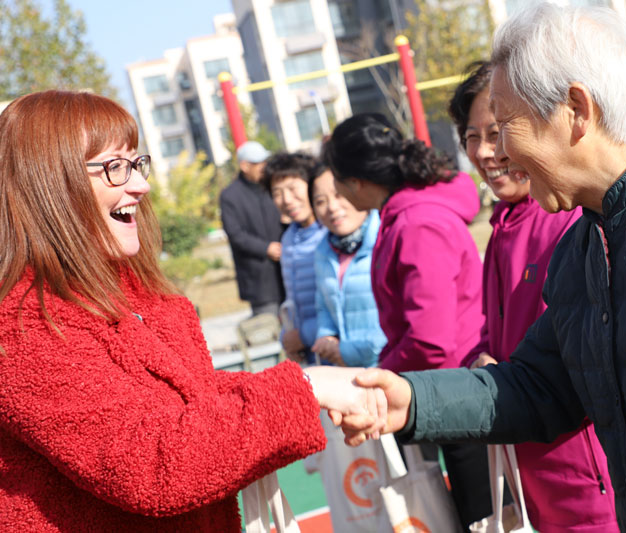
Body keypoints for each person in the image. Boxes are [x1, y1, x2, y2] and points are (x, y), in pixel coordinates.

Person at [340, 3, 626, 532]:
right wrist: (413, 401)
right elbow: (539, 387)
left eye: (505, 126)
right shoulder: (583, 250)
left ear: (576, 109)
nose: (498, 153)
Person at [0, 90, 386, 532]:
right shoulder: (25, 327)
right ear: (48, 184)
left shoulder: (140, 295)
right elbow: (151, 464)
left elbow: (189, 399)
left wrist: (319, 386)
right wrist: (304, 387)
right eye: (114, 167)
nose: (140, 185)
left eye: (135, 163)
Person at [449, 61, 618, 532]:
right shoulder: (503, 228)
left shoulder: (565, 219)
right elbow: (492, 334)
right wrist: (481, 359)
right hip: (532, 468)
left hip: (584, 470)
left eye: (498, 132)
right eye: (472, 137)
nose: (486, 152)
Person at [323, 113, 496, 530]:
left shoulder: (418, 223)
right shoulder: (406, 215)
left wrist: (376, 375)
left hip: (456, 393)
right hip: (444, 387)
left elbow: (430, 338)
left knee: (483, 518)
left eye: (336, 181)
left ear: (357, 183)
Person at [309, 166, 386, 368]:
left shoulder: (386, 240)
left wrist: (347, 352)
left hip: (390, 368)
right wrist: (327, 338)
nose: (332, 207)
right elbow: (323, 305)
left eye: (339, 194)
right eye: (320, 201)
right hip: (348, 372)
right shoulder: (322, 252)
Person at [265, 152, 327, 364]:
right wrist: (287, 338)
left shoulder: (330, 234)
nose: (286, 200)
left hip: (334, 350)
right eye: (277, 193)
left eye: (292, 189)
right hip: (311, 355)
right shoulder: (289, 238)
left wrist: (303, 336)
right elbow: (293, 300)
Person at [220, 140, 284, 317]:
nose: (264, 167)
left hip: (286, 272)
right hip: (259, 281)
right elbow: (235, 234)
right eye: (259, 163)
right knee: (268, 327)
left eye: (265, 162)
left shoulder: (273, 186)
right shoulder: (230, 196)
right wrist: (266, 248)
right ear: (245, 166)